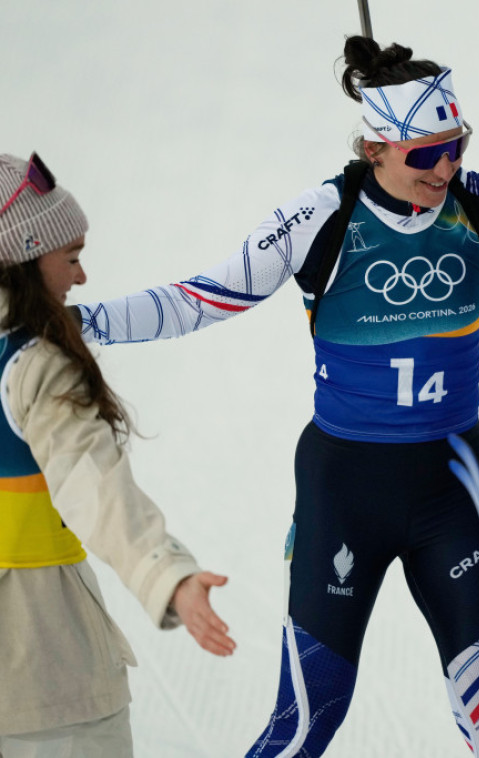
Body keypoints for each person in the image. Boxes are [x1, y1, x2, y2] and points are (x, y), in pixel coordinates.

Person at [72, 37, 479, 756]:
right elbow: (198, 299)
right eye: (425, 153)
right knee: (308, 722)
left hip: (455, 485)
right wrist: (77, 324)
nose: (444, 167)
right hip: (346, 487)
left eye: (455, 146)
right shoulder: (321, 218)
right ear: (375, 147)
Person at [0, 152, 235, 758]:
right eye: (71, 257)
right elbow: (96, 489)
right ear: (23, 259)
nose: (81, 278)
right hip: (43, 679)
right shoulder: (34, 367)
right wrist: (168, 576)